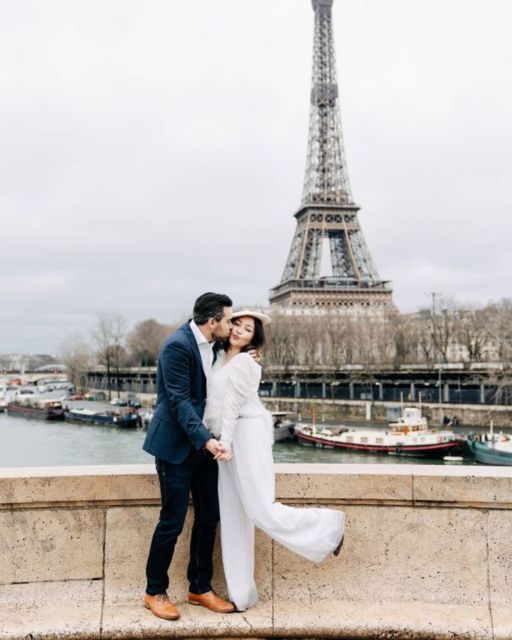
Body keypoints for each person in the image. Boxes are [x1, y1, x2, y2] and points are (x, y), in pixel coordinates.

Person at [204, 309, 345, 612]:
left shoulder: (245, 362)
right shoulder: (217, 358)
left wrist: (224, 443)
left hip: (245, 435)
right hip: (226, 440)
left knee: (258, 509)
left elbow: (232, 405)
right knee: (232, 516)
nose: (241, 330)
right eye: (237, 325)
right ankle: (242, 595)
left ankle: (329, 527)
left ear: (255, 338)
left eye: (248, 329)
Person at [142, 292, 236, 620]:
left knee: (209, 516)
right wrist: (206, 441)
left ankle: (200, 587)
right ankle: (154, 590)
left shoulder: (217, 346)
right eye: (227, 319)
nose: (231, 323)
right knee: (172, 520)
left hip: (204, 445)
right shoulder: (177, 346)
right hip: (177, 447)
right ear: (212, 322)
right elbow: (179, 402)